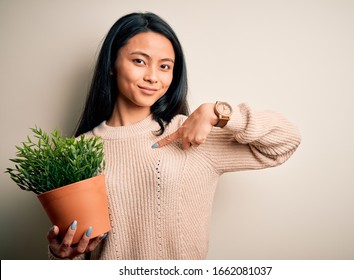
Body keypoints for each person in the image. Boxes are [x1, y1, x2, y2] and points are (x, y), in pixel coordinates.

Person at [47, 12, 301, 260]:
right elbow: (78, 251)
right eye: (139, 61)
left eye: (165, 66)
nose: (153, 77)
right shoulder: (77, 151)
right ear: (112, 65)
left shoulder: (191, 134)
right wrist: (62, 256)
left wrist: (218, 112)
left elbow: (287, 140)